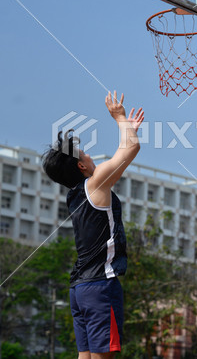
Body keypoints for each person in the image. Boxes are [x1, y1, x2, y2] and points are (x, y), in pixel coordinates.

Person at [42, 91, 144, 359]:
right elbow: (131, 148)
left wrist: (127, 128)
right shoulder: (95, 183)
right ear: (81, 165)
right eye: (86, 155)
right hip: (100, 286)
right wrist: (120, 117)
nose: (91, 157)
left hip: (79, 288)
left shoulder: (74, 194)